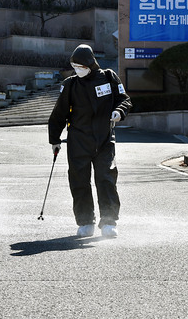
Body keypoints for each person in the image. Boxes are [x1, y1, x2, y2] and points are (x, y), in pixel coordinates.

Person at [48, 44, 132, 238]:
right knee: (79, 181)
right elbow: (59, 113)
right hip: (78, 140)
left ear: (90, 64)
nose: (78, 70)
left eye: (81, 66)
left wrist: (119, 112)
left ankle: (109, 222)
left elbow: (124, 99)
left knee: (106, 179)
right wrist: (55, 139)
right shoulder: (70, 84)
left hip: (104, 139)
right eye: (74, 66)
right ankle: (85, 221)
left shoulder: (109, 77)